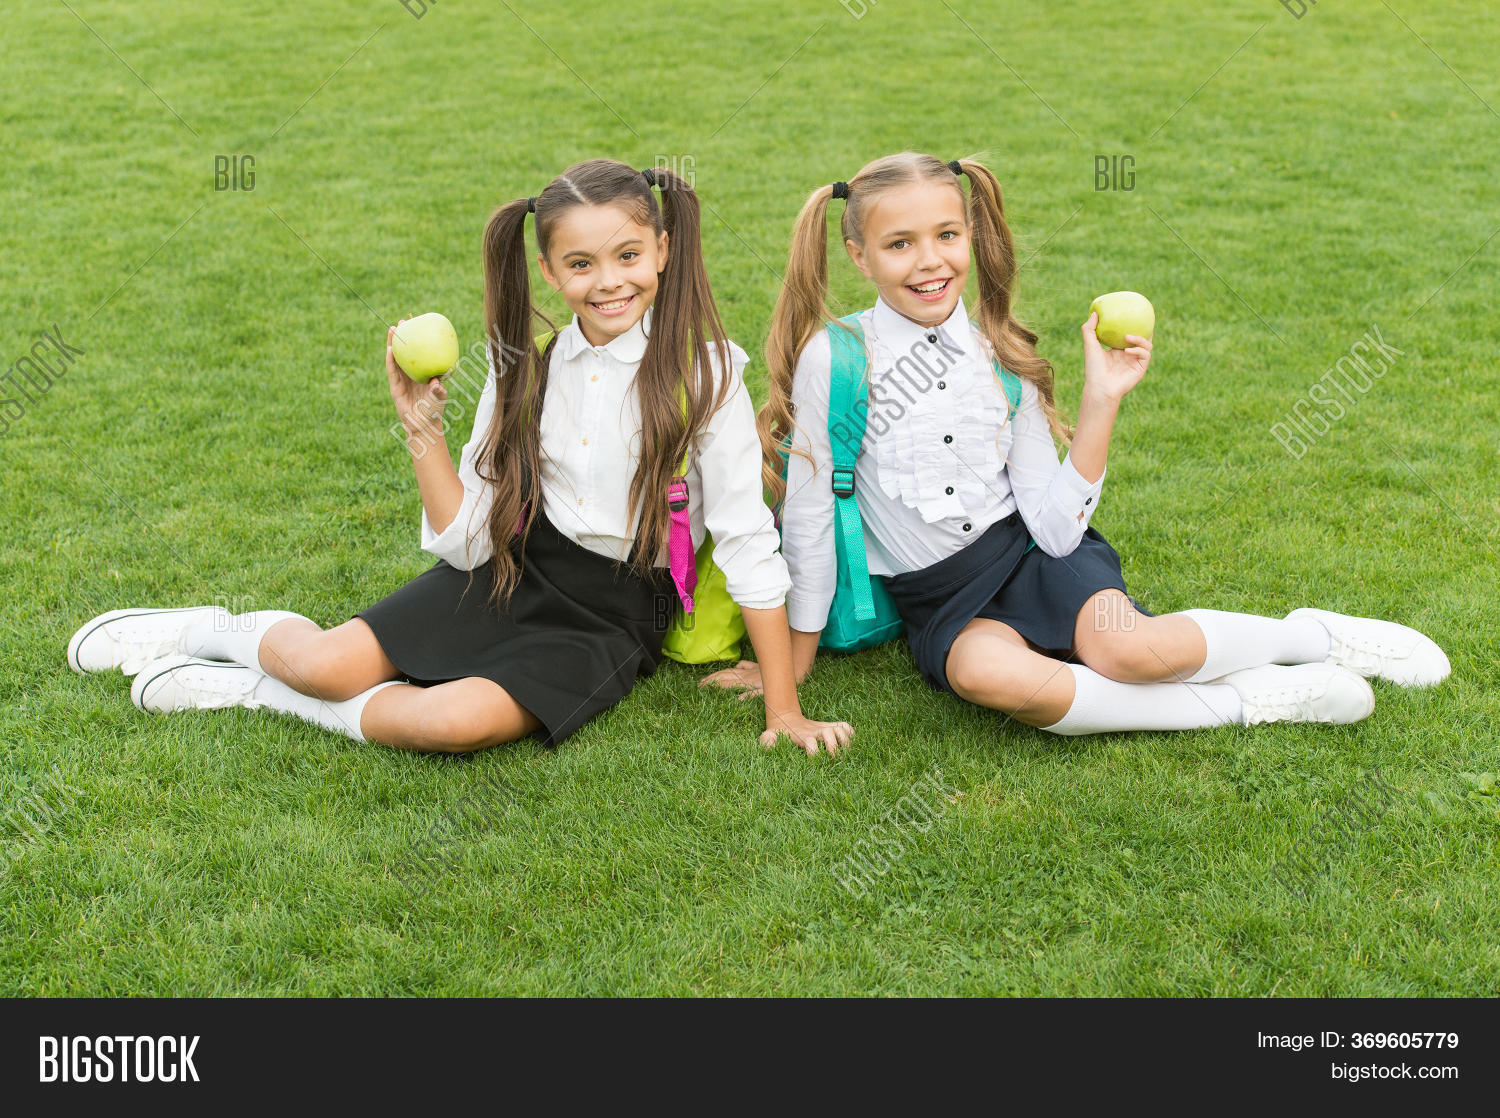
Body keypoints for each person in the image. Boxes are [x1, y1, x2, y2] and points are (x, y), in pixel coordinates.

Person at [69, 159, 853, 756]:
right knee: (326, 663)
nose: (608, 282)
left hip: (615, 614)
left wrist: (785, 708)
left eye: (627, 255)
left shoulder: (706, 372)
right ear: (548, 271)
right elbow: (469, 538)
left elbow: (750, 541)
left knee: (448, 722)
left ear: (663, 251)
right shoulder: (523, 368)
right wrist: (422, 433)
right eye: (580, 265)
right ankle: (217, 629)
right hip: (514, 569)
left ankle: (248, 693)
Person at [706, 152, 1448, 735]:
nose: (929, 262)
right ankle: (1241, 702)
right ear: (860, 257)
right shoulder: (836, 358)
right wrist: (792, 670)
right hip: (941, 599)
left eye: (946, 236)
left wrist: (1102, 401)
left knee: (1130, 651)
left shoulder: (997, 352)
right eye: (899, 244)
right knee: (989, 679)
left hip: (1033, 558)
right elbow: (807, 521)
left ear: (970, 236)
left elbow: (1057, 527)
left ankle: (1309, 637)